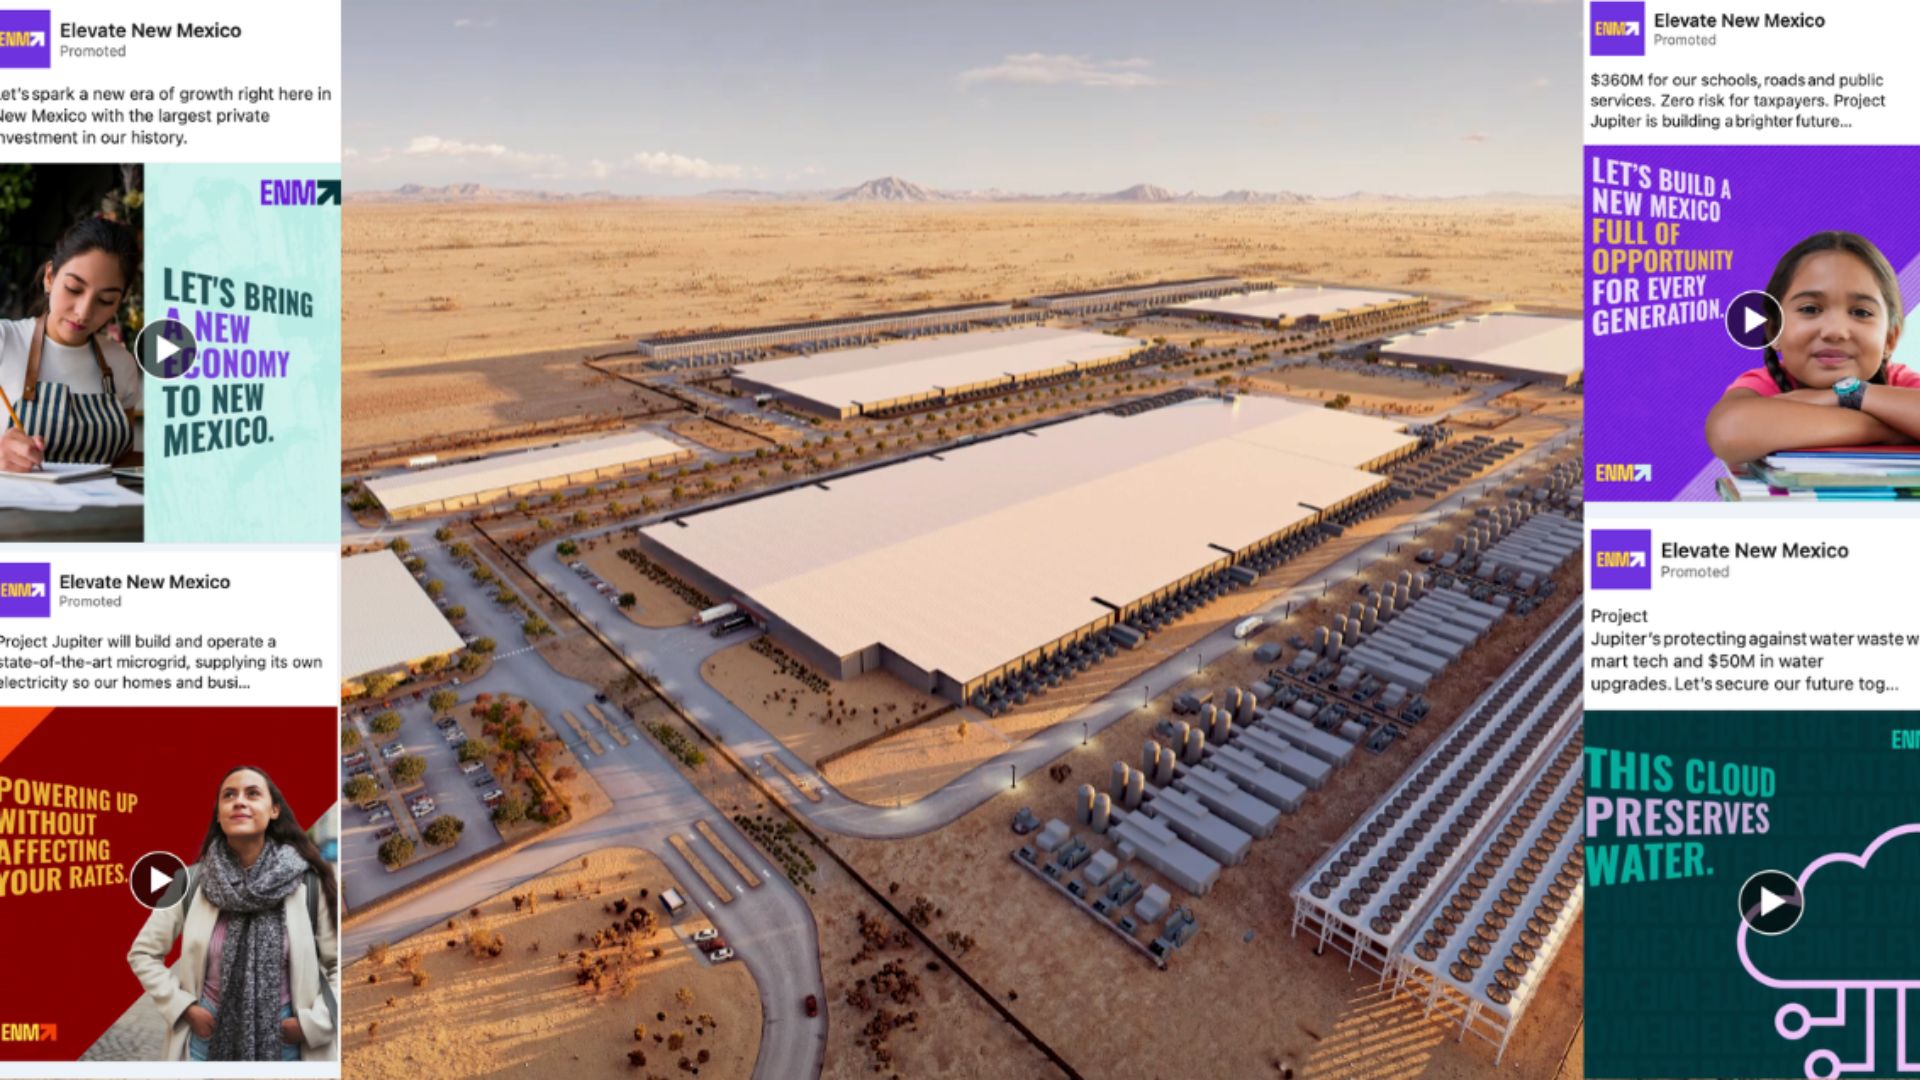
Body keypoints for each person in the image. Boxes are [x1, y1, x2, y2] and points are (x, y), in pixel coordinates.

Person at [127, 766, 339, 1062]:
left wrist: (310, 1024)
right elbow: (143, 953)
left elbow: (337, 964)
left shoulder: (308, 884)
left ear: (274, 810)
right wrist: (185, 1008)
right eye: (229, 795)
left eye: (252, 793)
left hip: (288, 1043)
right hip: (205, 1042)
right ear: (219, 814)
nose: (240, 801)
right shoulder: (188, 883)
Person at [1705, 231, 1920, 465]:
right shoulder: (1766, 386)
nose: (1835, 331)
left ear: (1890, 339)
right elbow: (1730, 431)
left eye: (1861, 312)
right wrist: (1893, 428)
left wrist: (1855, 395)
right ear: (1774, 328)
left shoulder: (1898, 382)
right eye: (1810, 309)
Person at [0, 216, 142, 472]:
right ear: (50, 277)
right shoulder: (5, 342)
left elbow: (124, 466)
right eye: (74, 289)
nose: (84, 312)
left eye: (106, 300)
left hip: (104, 511)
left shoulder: (121, 364)